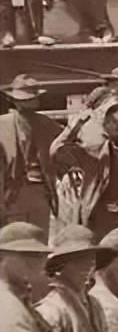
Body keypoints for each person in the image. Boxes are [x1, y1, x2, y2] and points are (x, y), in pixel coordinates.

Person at [51, 103, 118, 238]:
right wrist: (76, 125)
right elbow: (56, 151)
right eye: (113, 122)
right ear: (105, 128)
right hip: (100, 221)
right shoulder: (92, 154)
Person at [0, 75, 59, 230]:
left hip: (40, 192)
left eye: (30, 100)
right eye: (21, 100)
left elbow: (66, 142)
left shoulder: (46, 124)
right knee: (13, 237)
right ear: (13, 100)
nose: (25, 104)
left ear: (37, 101)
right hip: (11, 192)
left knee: (38, 236)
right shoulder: (2, 125)